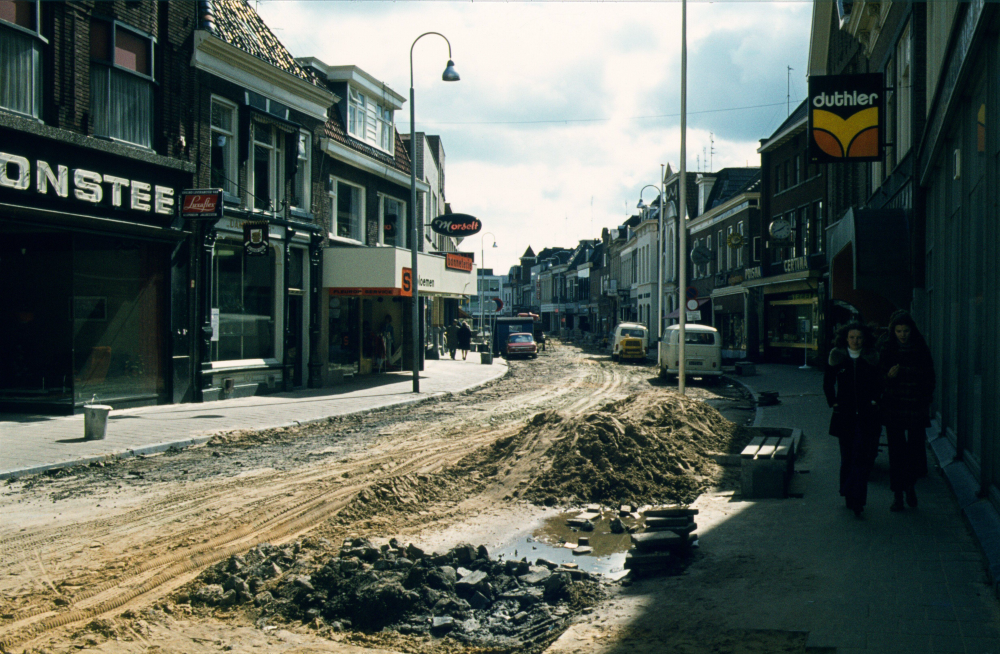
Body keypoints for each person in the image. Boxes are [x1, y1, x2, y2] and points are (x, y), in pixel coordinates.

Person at [878, 310, 935, 512]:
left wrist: (924, 401)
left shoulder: (920, 348)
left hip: (915, 408)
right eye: (899, 331)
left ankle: (910, 486)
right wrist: (888, 377)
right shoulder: (886, 348)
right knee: (896, 453)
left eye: (905, 330)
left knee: (913, 452)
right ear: (893, 331)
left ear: (912, 330)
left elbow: (930, 378)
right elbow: (877, 380)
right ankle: (898, 495)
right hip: (894, 409)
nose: (902, 334)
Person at [824, 322, 883, 516]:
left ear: (864, 338)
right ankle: (848, 494)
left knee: (862, 458)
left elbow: (879, 382)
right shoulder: (838, 357)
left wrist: (875, 400)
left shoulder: (871, 357)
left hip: (867, 415)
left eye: (858, 337)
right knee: (847, 458)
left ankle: (858, 499)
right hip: (845, 416)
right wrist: (833, 402)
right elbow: (827, 382)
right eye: (852, 337)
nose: (855, 341)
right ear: (845, 338)